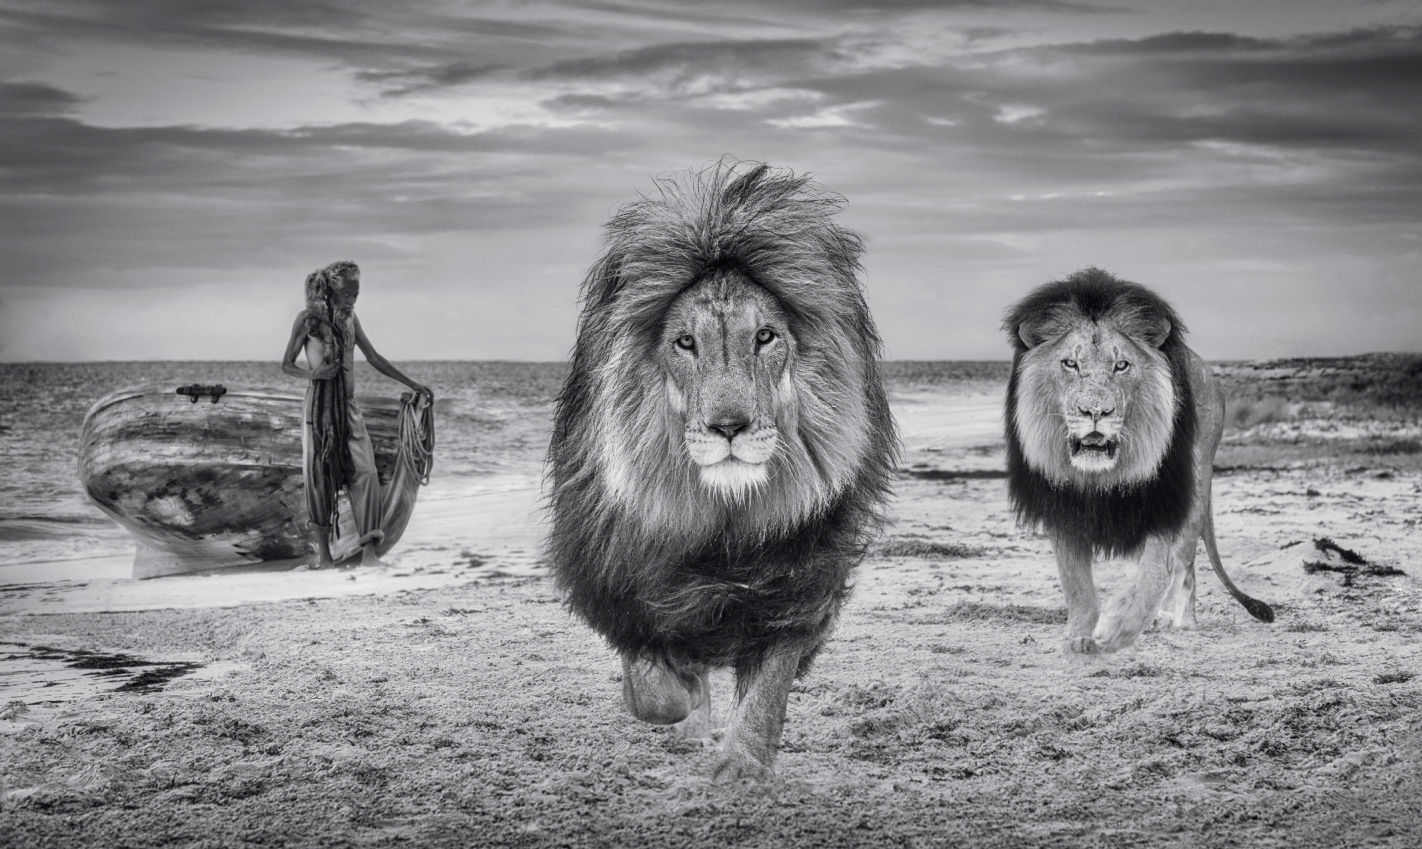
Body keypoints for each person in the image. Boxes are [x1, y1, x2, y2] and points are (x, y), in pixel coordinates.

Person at [281, 261, 431, 568]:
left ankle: (369, 555)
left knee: (366, 472)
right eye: (348, 293)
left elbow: (373, 356)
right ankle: (324, 557)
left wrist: (412, 384)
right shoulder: (307, 320)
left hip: (348, 407)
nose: (353, 298)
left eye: (356, 293)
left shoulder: (350, 319)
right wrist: (314, 374)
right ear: (331, 290)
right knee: (319, 477)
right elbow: (287, 364)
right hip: (317, 409)